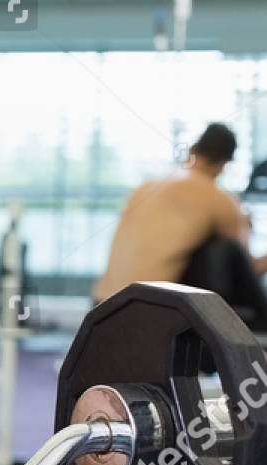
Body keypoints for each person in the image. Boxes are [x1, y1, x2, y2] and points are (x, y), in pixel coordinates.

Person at [93, 122, 267, 328]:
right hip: (148, 313)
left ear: (194, 150)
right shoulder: (219, 199)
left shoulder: (145, 187)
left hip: (101, 309)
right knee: (226, 250)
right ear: (224, 164)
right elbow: (247, 272)